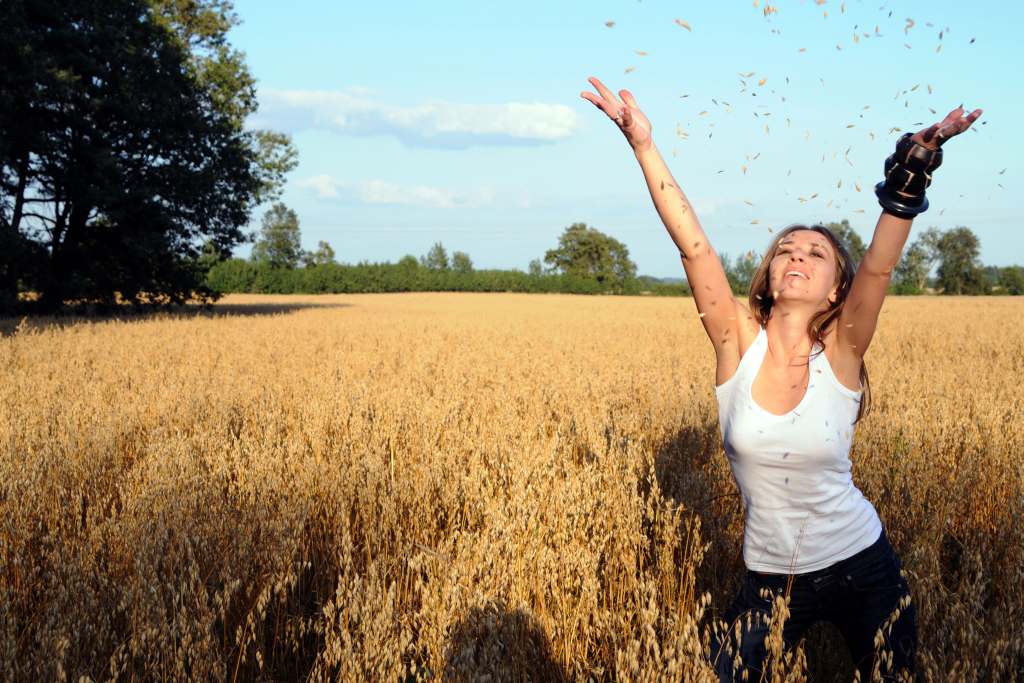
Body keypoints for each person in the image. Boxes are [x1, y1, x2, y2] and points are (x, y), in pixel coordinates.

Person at [580, 76, 982, 681]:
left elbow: (879, 265)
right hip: (768, 579)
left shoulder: (843, 352)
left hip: (864, 568)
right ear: (767, 275)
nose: (796, 257)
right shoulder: (735, 345)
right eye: (786, 250)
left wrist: (913, 171)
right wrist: (642, 143)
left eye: (815, 254)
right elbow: (695, 250)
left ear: (836, 289)